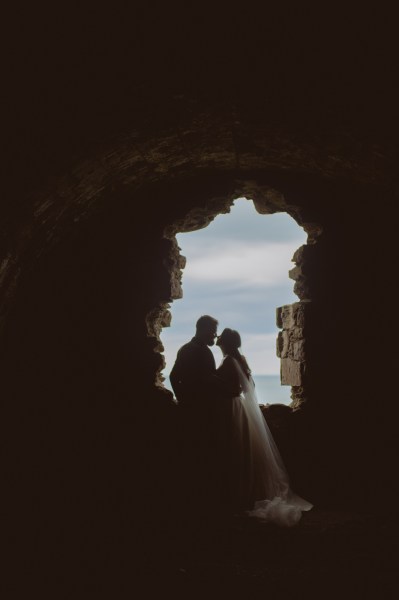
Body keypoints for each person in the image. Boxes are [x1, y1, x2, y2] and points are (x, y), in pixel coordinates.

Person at [215, 327, 313, 526]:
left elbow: (221, 386)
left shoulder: (228, 362)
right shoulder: (240, 361)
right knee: (243, 450)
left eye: (220, 340)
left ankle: (241, 495)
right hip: (238, 405)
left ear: (224, 343)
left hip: (230, 407)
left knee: (235, 449)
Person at [169, 315, 231, 511]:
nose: (215, 335)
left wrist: (182, 399)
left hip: (192, 409)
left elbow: (173, 376)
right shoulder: (202, 352)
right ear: (204, 330)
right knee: (205, 455)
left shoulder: (186, 348)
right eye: (213, 331)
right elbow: (208, 379)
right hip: (203, 412)